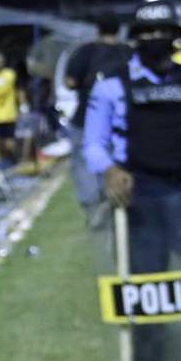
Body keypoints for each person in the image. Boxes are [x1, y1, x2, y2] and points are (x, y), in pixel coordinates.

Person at [84, 0, 181, 361]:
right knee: (148, 298)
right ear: (135, 37)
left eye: (164, 32)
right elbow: (93, 143)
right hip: (140, 197)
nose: (156, 39)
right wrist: (109, 170)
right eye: (148, 33)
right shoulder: (111, 84)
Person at [65, 15, 131, 222]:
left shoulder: (85, 52)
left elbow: (70, 82)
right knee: (115, 162)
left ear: (98, 30)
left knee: (84, 164)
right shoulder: (127, 53)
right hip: (119, 121)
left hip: (85, 117)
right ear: (119, 30)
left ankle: (94, 207)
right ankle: (113, 201)